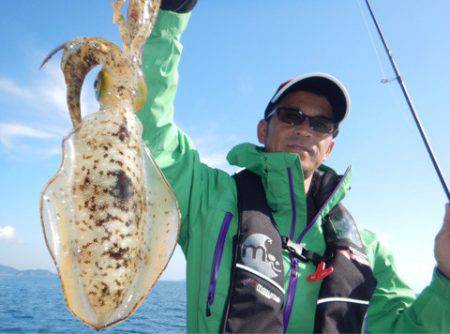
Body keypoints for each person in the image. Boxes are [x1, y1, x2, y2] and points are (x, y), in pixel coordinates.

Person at [137, 1, 450, 332]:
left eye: (321, 124)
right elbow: (149, 134)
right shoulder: (207, 198)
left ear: (329, 147)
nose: (305, 129)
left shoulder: (371, 251)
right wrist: (170, 15)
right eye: (291, 116)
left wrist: (446, 277)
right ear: (263, 129)